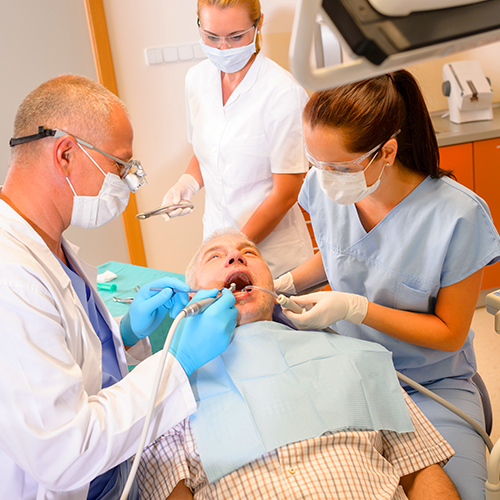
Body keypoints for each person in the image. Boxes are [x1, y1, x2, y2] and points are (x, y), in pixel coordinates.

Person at [0, 74, 238, 500]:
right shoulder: (11, 278)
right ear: (66, 154)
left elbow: (76, 360)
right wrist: (176, 364)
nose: (127, 182)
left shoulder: (48, 245)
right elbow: (63, 452)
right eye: (120, 166)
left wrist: (125, 335)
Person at [273, 69, 500, 500]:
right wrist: (286, 281)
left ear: (387, 151)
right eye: (315, 162)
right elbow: (341, 252)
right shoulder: (324, 187)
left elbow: (450, 333)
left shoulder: (458, 216)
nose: (322, 178)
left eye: (337, 167)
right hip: (348, 375)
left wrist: (355, 308)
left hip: (431, 386)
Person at [137, 230, 460, 500]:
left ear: (274, 287)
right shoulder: (167, 387)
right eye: (214, 256)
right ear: (191, 294)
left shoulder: (355, 356)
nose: (235, 258)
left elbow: (421, 471)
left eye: (249, 252)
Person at [161, 0, 313, 278]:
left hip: (274, 259)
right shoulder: (196, 80)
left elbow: (287, 191)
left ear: (258, 25)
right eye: (211, 37)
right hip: (218, 249)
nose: (223, 48)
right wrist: (188, 182)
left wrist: (236, 247)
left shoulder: (282, 93)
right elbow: (208, 147)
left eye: (235, 37)